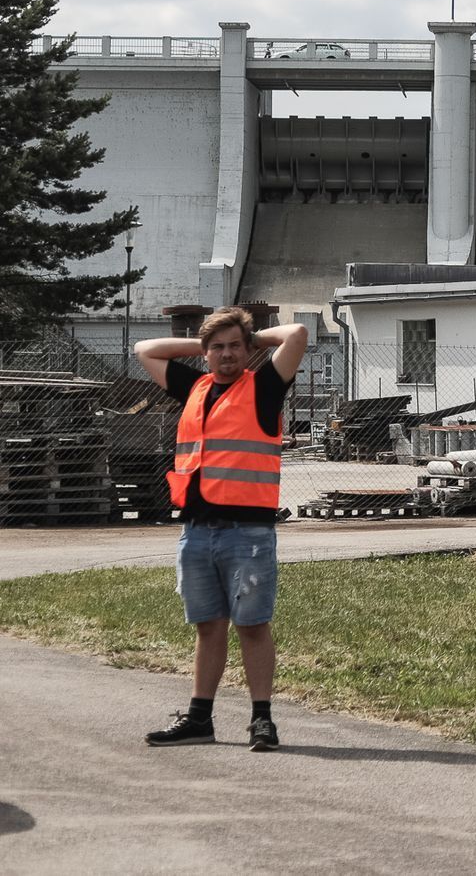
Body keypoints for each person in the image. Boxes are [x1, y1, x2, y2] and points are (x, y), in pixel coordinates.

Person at [134, 307, 308, 751]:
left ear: (248, 350)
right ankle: (199, 720)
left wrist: (250, 341)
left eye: (235, 346)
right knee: (208, 626)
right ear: (205, 352)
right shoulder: (194, 386)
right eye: (218, 347)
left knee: (252, 625)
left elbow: (298, 333)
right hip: (196, 530)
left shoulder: (266, 387)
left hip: (247, 533)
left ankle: (262, 720)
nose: (226, 354)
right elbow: (145, 349)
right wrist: (207, 344)